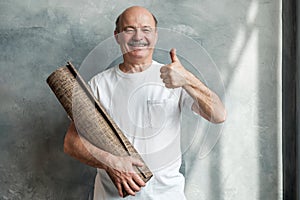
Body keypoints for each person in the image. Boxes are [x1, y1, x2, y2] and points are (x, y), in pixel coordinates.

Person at [64, 6, 226, 200]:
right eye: (129, 29)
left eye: (146, 29)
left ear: (155, 35)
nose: (138, 36)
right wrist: (109, 162)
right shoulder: (99, 84)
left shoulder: (174, 78)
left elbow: (218, 115)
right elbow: (71, 143)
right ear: (117, 36)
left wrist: (188, 80)